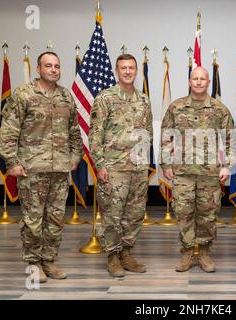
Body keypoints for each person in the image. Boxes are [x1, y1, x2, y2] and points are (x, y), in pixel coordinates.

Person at [0, 51, 83, 283]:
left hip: (60, 169)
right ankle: (33, 263)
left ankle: (48, 260)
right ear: (38, 69)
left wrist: (76, 156)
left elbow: (74, 130)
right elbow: (8, 131)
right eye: (48, 65)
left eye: (56, 66)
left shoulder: (66, 96)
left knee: (55, 219)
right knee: (33, 220)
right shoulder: (23, 95)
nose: (53, 69)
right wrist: (12, 161)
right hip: (32, 169)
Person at [160, 66, 235, 273]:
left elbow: (230, 139)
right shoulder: (176, 107)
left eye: (203, 79)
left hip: (210, 172)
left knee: (208, 213)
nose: (199, 82)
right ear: (189, 81)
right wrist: (166, 164)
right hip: (182, 171)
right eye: (195, 78)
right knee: (183, 212)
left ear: (208, 82)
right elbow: (167, 137)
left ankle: (203, 252)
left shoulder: (219, 109)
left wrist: (227, 165)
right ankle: (186, 253)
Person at [89, 53, 153, 278]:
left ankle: (126, 253)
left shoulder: (143, 99)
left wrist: (145, 162)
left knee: (135, 214)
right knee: (113, 214)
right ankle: (112, 257)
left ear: (136, 71)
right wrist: (100, 165)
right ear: (117, 71)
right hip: (114, 167)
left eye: (131, 68)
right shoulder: (105, 98)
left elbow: (148, 133)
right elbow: (95, 134)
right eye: (123, 68)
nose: (127, 71)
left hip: (137, 167)